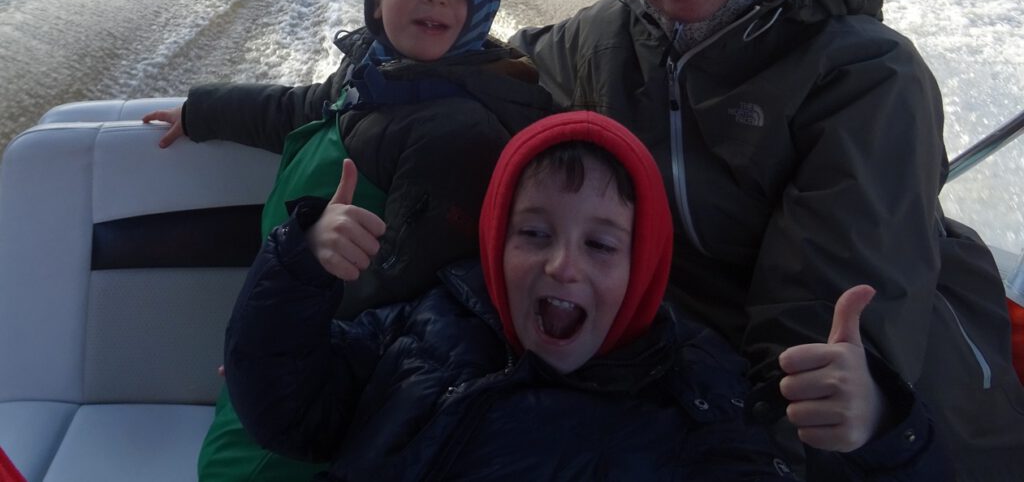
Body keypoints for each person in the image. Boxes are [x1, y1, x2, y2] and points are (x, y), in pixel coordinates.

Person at [509, 0, 1024, 479]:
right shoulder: (609, 37)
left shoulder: (866, 77)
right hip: (678, 348)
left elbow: (823, 313)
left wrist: (786, 438)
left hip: (864, 395)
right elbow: (507, 70)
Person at [224, 110, 947, 481]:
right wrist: (301, 264)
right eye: (533, 233)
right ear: (494, 243)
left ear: (645, 264)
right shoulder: (424, 322)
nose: (562, 266)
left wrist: (878, 432)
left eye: (601, 245)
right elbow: (286, 411)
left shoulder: (694, 407)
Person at [143, 0, 553, 482]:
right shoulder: (372, 74)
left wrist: (277, 350)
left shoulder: (457, 133)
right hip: (282, 339)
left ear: (481, 10)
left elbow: (406, 292)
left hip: (330, 382)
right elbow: (295, 108)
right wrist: (203, 111)